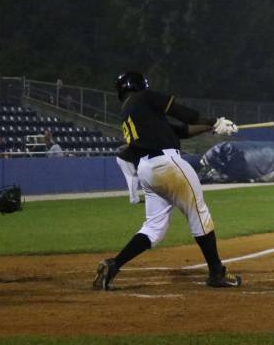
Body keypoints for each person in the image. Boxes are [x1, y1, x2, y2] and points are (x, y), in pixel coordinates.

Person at [93, 72, 241, 291]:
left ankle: (113, 265)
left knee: (153, 227)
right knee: (199, 214)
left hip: (147, 170)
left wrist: (211, 128)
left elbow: (181, 131)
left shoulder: (131, 112)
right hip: (168, 163)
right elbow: (183, 114)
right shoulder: (144, 97)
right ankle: (216, 272)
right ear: (140, 86)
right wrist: (215, 121)